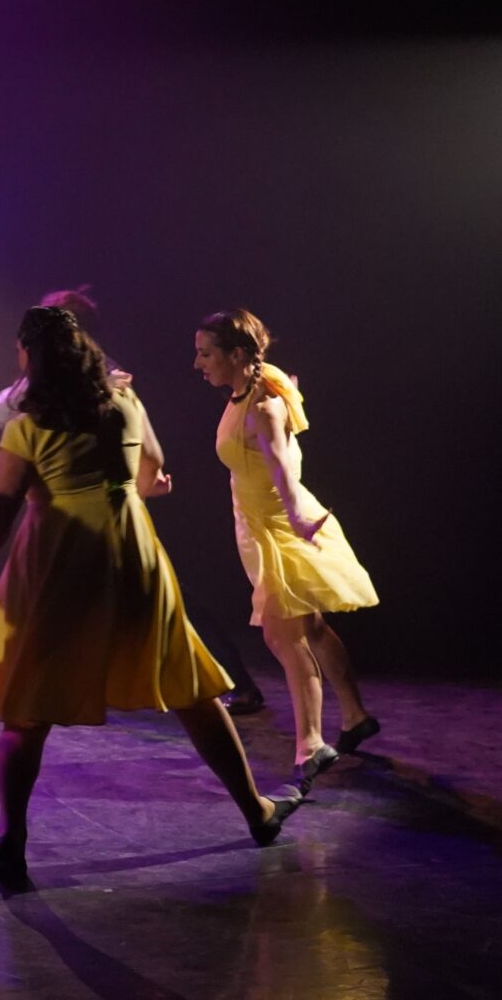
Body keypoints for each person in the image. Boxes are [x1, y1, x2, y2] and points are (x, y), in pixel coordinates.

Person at [0, 307, 302, 887]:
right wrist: (127, 488)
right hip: (128, 551)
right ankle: (257, 811)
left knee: (27, 707)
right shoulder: (125, 404)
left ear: (30, 360)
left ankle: (11, 841)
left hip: (58, 558)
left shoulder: (27, 429)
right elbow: (151, 472)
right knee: (189, 688)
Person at [0, 287, 270, 717]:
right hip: (84, 528)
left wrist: (140, 485)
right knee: (143, 612)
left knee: (168, 609)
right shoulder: (48, 379)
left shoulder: (108, 380)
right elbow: (7, 404)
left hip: (109, 521)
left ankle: (229, 685)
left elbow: (136, 451)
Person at [195, 309, 379, 787]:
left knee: (282, 636)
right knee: (310, 627)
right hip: (257, 527)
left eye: (206, 354)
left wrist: (299, 520)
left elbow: (281, 468)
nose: (198, 363)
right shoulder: (263, 382)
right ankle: (355, 715)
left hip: (279, 532)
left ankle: (310, 744)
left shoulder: (262, 408)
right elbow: (284, 395)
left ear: (237, 354)